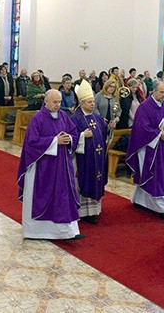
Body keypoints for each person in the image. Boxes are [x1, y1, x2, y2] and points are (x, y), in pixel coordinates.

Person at [17, 89, 83, 240]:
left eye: (59, 102)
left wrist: (69, 139)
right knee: (44, 197)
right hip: (43, 167)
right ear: (45, 101)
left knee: (63, 196)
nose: (58, 105)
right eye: (55, 102)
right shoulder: (37, 119)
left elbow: (73, 132)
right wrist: (55, 141)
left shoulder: (63, 116)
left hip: (62, 166)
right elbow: (31, 143)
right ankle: (38, 232)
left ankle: (66, 231)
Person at [125, 81, 164, 217]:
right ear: (153, 91)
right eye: (161, 92)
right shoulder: (145, 107)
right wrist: (159, 134)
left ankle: (140, 199)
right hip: (147, 146)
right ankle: (160, 206)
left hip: (160, 146)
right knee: (150, 173)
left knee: (157, 173)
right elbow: (141, 128)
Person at [71, 80, 109, 224]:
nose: (93, 104)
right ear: (81, 103)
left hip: (96, 159)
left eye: (93, 101)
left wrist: (109, 127)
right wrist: (82, 136)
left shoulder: (97, 118)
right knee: (84, 181)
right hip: (83, 160)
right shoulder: (75, 119)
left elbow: (103, 132)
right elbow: (71, 138)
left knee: (96, 179)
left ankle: (93, 211)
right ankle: (81, 211)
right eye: (89, 102)